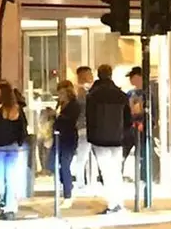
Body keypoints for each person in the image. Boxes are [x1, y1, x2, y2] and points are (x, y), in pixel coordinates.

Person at [86, 64, 132, 214]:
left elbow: (90, 118)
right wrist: (122, 132)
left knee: (106, 171)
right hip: (117, 138)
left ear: (99, 75)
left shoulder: (93, 95)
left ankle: (113, 203)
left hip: (100, 138)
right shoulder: (120, 95)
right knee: (116, 171)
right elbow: (128, 119)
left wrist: (91, 135)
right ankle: (119, 202)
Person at [0, 80, 28, 221]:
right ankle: (10, 206)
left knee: (0, 178)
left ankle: (5, 205)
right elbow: (22, 128)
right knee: (11, 177)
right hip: (13, 148)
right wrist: (19, 142)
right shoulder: (16, 109)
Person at [52, 80, 80, 209]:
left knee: (64, 164)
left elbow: (71, 119)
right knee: (51, 164)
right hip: (58, 137)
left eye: (62, 92)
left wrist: (57, 115)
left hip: (68, 137)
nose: (60, 95)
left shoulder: (74, 104)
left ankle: (68, 193)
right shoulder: (60, 104)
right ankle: (66, 184)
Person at [72, 66, 94, 188]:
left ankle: (85, 181)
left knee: (83, 156)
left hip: (88, 127)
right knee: (82, 156)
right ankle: (81, 182)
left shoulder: (84, 91)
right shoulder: (80, 92)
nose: (90, 77)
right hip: (84, 128)